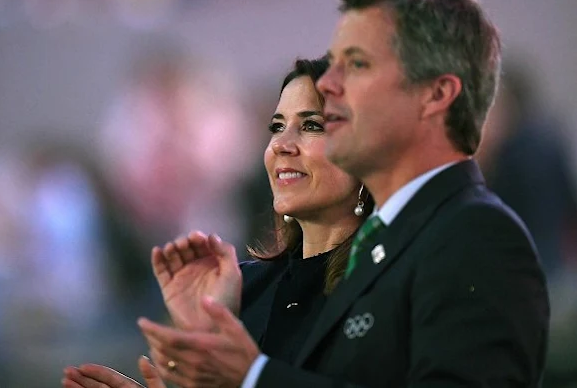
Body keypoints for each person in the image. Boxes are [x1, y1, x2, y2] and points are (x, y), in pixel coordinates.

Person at [134, 0, 550, 387]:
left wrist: (253, 378)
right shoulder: (380, 245)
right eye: (276, 126)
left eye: (357, 64)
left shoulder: (477, 235)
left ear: (435, 94)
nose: (332, 86)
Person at [62, 57, 374, 388]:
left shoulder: (398, 279)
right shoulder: (245, 289)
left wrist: (251, 376)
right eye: (277, 126)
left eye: (312, 125)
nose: (281, 145)